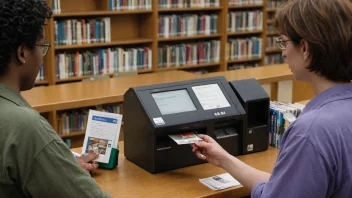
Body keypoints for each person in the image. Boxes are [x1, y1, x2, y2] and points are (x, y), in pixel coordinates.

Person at [192, 0, 352, 197]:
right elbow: (288, 186)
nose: (283, 53)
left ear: (305, 48)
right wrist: (224, 159)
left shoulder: (311, 132)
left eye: (284, 42)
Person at [0, 0, 112, 197]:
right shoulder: (26, 127)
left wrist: (58, 167)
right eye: (42, 47)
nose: (42, 57)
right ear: (22, 52)